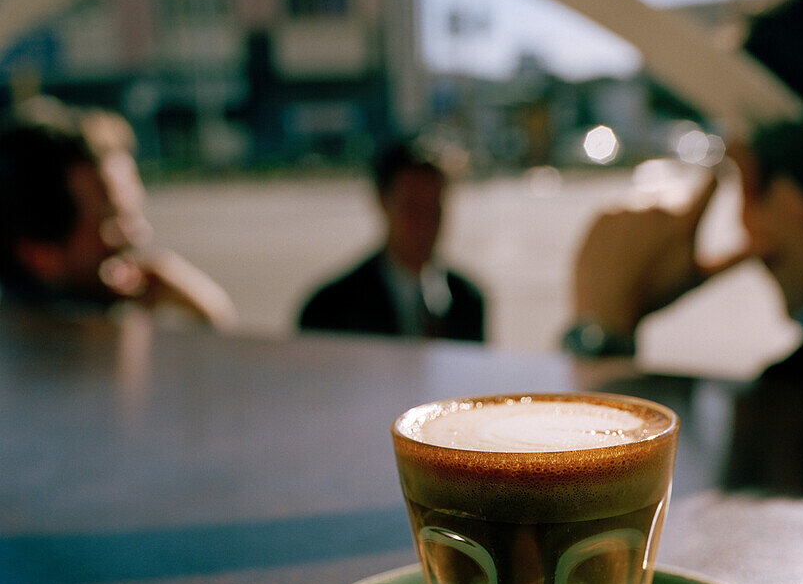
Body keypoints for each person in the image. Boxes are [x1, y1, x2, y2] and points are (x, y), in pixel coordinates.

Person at [565, 0, 803, 495]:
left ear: (797, 197)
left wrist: (603, 333)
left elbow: (603, 546)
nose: (744, 227)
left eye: (739, 175)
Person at [0, 103, 238, 330]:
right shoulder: (74, 361)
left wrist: (206, 308)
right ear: (38, 255)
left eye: (134, 214)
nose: (138, 235)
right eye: (112, 220)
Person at [296, 137, 485, 341]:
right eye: (412, 209)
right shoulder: (329, 310)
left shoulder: (467, 301)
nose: (424, 224)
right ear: (383, 201)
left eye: (433, 209)